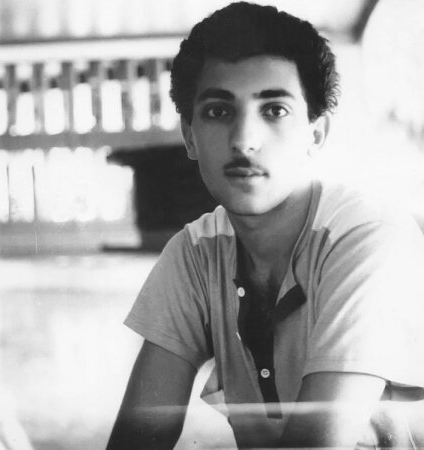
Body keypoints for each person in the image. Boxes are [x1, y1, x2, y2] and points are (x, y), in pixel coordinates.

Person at [107, 2, 424, 448]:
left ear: (316, 133)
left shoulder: (368, 238)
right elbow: (138, 439)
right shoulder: (195, 254)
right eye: (219, 111)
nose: (244, 140)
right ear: (190, 135)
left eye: (274, 110)